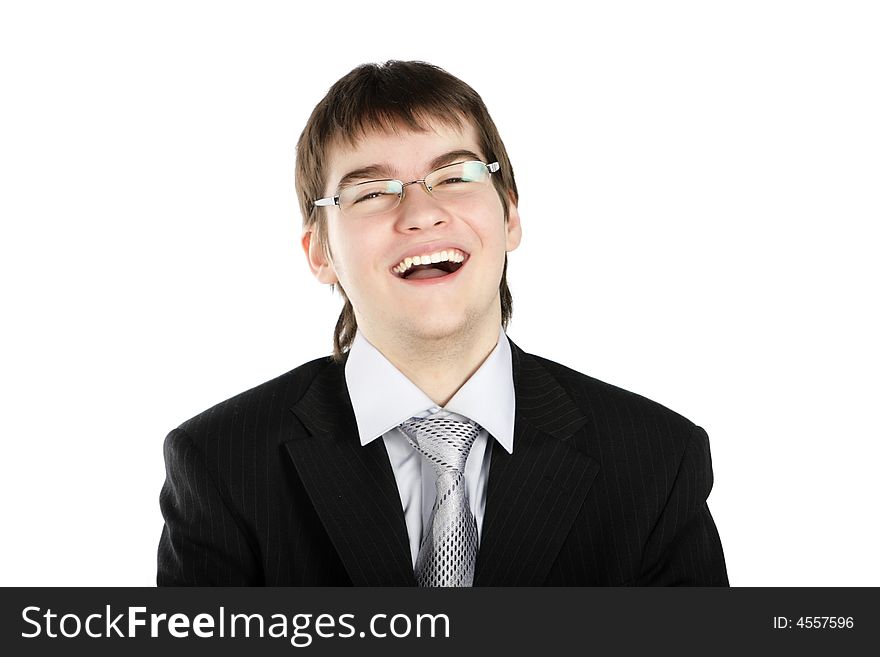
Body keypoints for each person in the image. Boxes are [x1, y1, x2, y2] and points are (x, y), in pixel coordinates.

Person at [157, 60, 728, 586]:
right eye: (371, 192)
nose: (422, 212)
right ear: (320, 252)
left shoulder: (657, 459)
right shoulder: (220, 464)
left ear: (509, 215)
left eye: (454, 177)